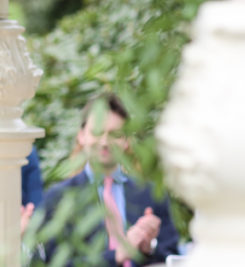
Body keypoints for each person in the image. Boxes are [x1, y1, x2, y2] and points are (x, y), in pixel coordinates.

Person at [39, 94, 179, 266]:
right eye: (97, 132)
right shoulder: (59, 197)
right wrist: (117, 255)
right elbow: (54, 262)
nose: (104, 142)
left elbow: (172, 257)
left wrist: (147, 248)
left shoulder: (151, 194)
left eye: (115, 134)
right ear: (81, 136)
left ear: (127, 140)